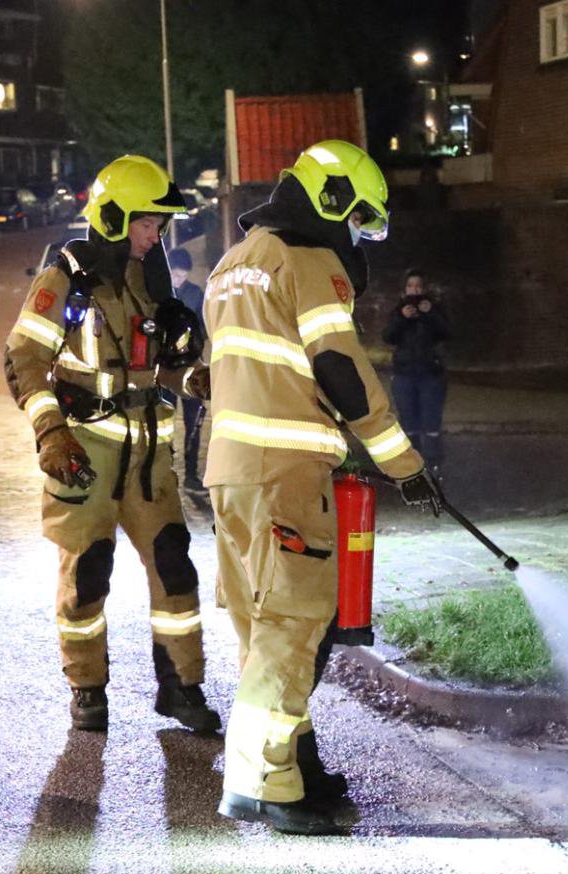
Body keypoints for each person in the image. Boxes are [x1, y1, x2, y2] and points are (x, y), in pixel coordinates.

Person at [204, 140, 444, 835]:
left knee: (264, 631)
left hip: (230, 475)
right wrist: (405, 465)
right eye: (358, 222)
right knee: (293, 627)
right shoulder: (305, 261)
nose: (357, 240)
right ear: (332, 201)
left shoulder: (231, 264)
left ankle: (296, 766)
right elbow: (341, 370)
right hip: (285, 476)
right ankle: (262, 783)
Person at [2, 154, 217, 734]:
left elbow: (161, 367)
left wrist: (198, 378)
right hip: (84, 459)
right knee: (89, 574)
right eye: (148, 223)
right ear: (118, 218)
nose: (156, 235)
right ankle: (87, 688)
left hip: (150, 463)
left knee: (175, 569)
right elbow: (23, 357)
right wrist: (50, 432)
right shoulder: (66, 277)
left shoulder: (154, 283)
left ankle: (182, 686)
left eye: (160, 226)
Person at [380, 269, 450, 475]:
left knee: (431, 422)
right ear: (404, 290)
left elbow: (447, 332)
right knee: (408, 422)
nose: (414, 290)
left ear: (424, 288)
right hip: (405, 374)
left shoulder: (434, 309)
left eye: (418, 286)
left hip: (431, 375)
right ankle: (412, 466)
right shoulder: (399, 310)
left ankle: (434, 465)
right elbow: (388, 336)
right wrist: (402, 318)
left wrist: (431, 315)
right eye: (410, 286)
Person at [168, 246, 208, 492]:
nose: (180, 280)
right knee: (162, 424)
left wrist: (192, 345)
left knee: (194, 425)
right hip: (165, 370)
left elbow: (203, 328)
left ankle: (191, 475)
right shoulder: (161, 293)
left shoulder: (195, 294)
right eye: (176, 275)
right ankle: (164, 471)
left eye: (183, 276)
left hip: (191, 370)